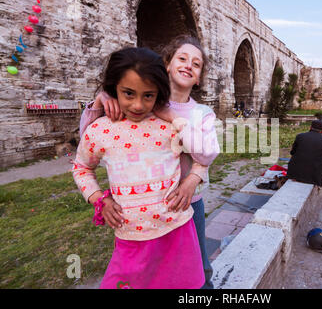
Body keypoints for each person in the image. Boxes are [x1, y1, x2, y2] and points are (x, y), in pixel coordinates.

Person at [79, 35, 220, 289]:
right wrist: (101, 100)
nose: (188, 65)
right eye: (182, 58)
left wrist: (191, 181)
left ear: (199, 77)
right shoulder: (134, 108)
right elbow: (87, 145)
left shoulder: (196, 115)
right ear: (167, 65)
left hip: (185, 207)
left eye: (196, 64)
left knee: (199, 268)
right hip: (133, 227)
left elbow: (206, 155)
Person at [287, 120, 322, 187]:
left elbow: (292, 152)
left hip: (295, 173)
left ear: (310, 127)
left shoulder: (300, 136)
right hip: (314, 176)